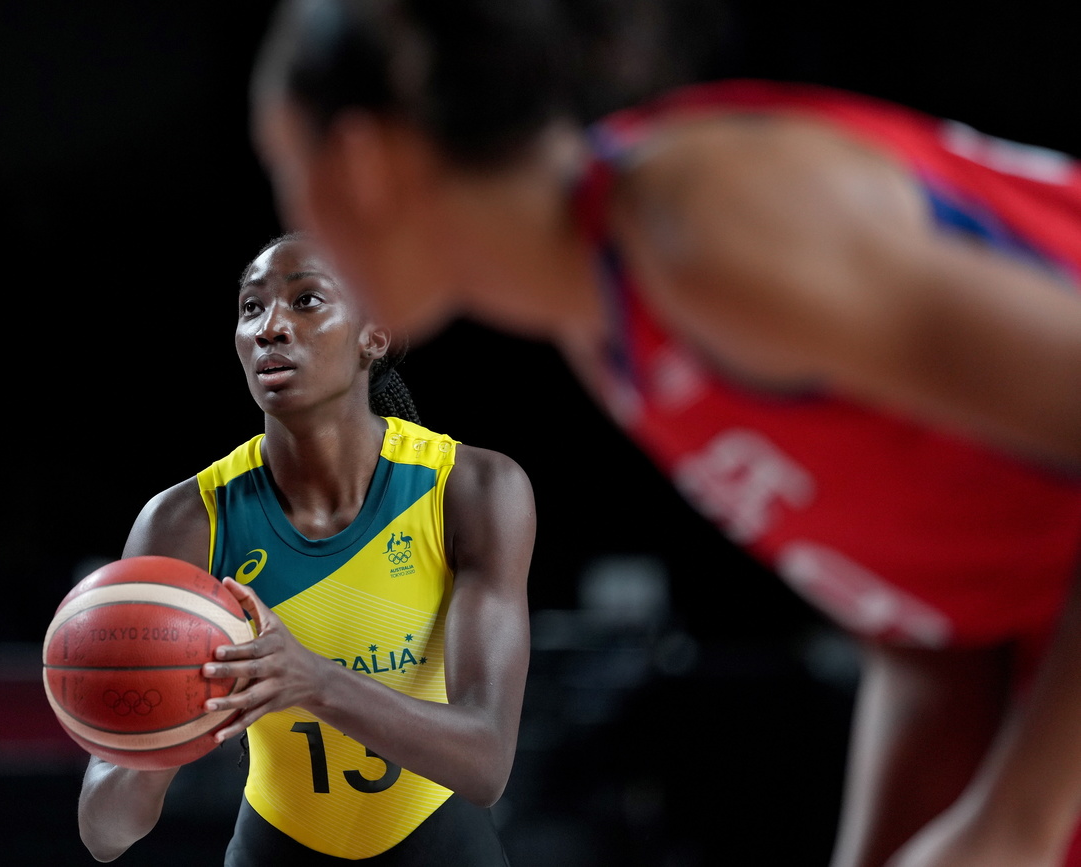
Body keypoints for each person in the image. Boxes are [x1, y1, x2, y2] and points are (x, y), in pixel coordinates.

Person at [246, 2, 1081, 866]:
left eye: (284, 167)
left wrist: (1012, 825)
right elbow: (933, 636)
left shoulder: (705, 229)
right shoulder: (607, 314)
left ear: (360, 163)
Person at [76, 232, 536, 865]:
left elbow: (486, 765)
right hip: (277, 847)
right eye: (250, 308)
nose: (269, 327)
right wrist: (157, 746)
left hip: (442, 846)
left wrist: (312, 680)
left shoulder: (472, 489)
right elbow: (103, 835)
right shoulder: (184, 522)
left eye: (306, 300)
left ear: (374, 335)